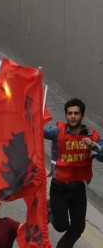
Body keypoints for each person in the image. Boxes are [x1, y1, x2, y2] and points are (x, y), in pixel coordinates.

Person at [44, 98, 103, 248]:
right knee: (61, 226)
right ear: (66, 115)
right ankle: (48, 208)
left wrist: (94, 147)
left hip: (78, 189)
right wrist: (30, 120)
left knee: (78, 226)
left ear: (82, 116)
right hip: (59, 188)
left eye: (76, 113)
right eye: (69, 113)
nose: (73, 116)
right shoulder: (57, 131)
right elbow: (38, 130)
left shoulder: (91, 135)